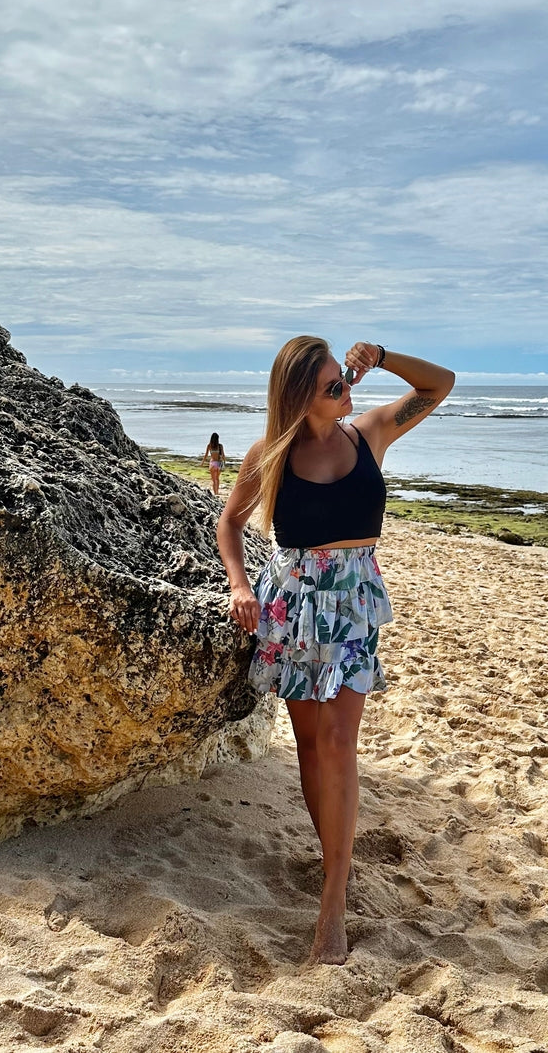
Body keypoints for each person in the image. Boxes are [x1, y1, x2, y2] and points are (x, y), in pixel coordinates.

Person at [217, 336, 454, 966]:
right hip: (292, 605)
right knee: (309, 745)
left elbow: (440, 384)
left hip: (352, 603)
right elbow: (231, 522)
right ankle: (335, 864)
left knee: (339, 740)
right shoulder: (269, 453)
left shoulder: (369, 434)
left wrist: (383, 357)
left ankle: (332, 902)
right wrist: (240, 584)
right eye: (332, 386)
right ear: (300, 397)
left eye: (344, 379)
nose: (346, 390)